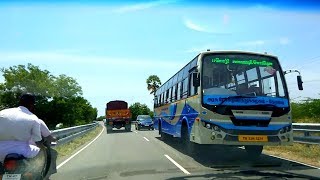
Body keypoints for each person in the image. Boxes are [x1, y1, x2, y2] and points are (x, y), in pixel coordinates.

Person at [0, 93, 57, 178]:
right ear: (31, 105)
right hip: (23, 151)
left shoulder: (2, 113)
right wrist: (43, 150)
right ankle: (40, 175)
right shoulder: (33, 118)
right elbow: (37, 141)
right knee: (39, 161)